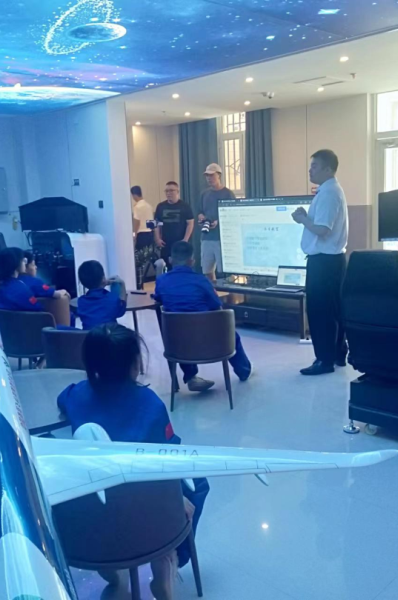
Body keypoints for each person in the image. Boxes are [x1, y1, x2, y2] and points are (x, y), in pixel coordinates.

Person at [57, 324, 209, 600]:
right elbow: (169, 459)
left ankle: (113, 574)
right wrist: (178, 497)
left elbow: (61, 399)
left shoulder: (76, 395)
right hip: (146, 515)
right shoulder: (149, 404)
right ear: (134, 362)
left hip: (90, 514)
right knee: (197, 484)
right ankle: (170, 559)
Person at [153, 241, 252, 392]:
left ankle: (191, 376)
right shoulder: (202, 281)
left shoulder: (161, 281)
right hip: (209, 344)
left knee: (179, 329)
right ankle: (243, 371)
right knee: (231, 335)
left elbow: (158, 298)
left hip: (177, 346)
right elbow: (217, 306)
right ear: (192, 261)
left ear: (171, 260)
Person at [292, 149, 349, 375]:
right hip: (332, 261)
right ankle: (337, 354)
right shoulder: (331, 190)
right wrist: (307, 217)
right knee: (333, 310)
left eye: (314, 166)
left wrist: (301, 219)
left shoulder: (328, 193)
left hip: (324, 263)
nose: (310, 170)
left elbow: (323, 230)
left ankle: (324, 361)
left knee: (319, 312)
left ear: (328, 169)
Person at [198, 163, 235, 281]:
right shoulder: (204, 194)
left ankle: (230, 291)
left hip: (222, 238)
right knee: (207, 270)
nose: (209, 178)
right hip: (206, 237)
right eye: (207, 176)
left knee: (226, 271)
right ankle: (212, 290)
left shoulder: (228, 194)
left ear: (219, 175)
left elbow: (233, 214)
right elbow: (200, 211)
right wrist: (201, 218)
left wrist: (219, 222)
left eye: (212, 175)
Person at [153, 181, 194, 276]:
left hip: (180, 243)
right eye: (166, 191)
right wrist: (157, 238)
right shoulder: (161, 206)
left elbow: (190, 223)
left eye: (171, 190)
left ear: (177, 191)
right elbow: (157, 224)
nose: (168, 193)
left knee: (181, 268)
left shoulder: (185, 206)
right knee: (167, 268)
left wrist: (185, 239)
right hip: (165, 243)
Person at [76, 260, 127, 330]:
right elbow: (121, 311)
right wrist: (122, 284)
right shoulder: (112, 299)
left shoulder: (81, 302)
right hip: (109, 336)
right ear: (103, 278)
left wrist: (102, 283)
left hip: (89, 336)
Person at [0, 247, 45, 312]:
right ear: (16, 263)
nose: (25, 263)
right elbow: (38, 308)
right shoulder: (22, 288)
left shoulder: (0, 288)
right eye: (23, 260)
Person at [132, 185, 156, 288]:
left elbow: (136, 222)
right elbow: (152, 223)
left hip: (141, 235)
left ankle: (139, 284)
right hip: (149, 234)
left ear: (134, 195)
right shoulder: (149, 206)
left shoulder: (137, 207)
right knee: (150, 258)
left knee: (139, 262)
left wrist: (134, 235)